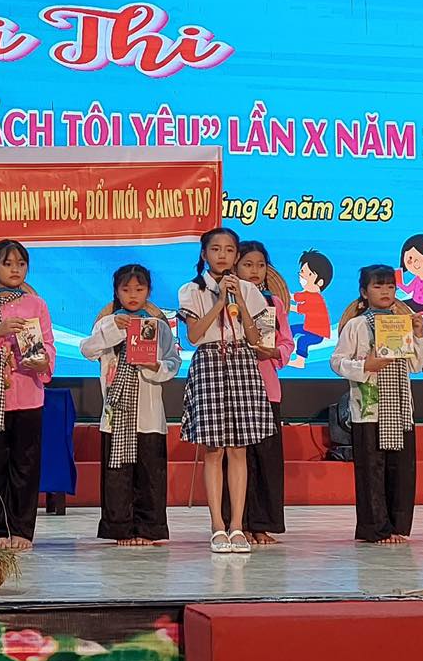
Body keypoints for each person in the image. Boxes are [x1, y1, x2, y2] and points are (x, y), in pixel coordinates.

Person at [178, 227, 275, 554]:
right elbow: (194, 335)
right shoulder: (191, 290)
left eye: (229, 250)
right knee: (214, 449)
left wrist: (240, 301)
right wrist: (219, 300)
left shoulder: (248, 289)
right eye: (216, 249)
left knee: (239, 449)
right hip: (209, 362)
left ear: (236, 255)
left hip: (242, 362)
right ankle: (217, 525)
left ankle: (237, 526)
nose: (222, 255)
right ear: (204, 254)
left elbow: (256, 338)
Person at [0, 239, 56, 550]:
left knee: (26, 467)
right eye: (7, 263)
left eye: (21, 263)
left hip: (29, 395)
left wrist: (44, 362)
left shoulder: (37, 304)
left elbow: (48, 344)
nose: (15, 269)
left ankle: (22, 530)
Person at [81, 264, 181, 546]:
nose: (133, 295)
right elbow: (87, 350)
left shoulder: (158, 326)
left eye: (139, 289)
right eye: (126, 289)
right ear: (117, 292)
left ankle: (148, 528)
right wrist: (114, 329)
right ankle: (120, 529)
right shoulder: (107, 323)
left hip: (149, 413)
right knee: (117, 475)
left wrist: (155, 365)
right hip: (116, 413)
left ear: (148, 291)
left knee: (150, 474)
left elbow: (173, 362)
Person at [331, 264, 423, 544]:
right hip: (369, 410)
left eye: (390, 286)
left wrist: (418, 334)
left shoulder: (402, 323)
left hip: (399, 409)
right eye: (378, 286)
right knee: (371, 471)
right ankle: (375, 528)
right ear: (364, 292)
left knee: (401, 470)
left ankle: (398, 527)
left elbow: (416, 365)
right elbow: (336, 362)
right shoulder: (356, 325)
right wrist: (365, 366)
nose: (385, 291)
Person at [221, 240, 293, 545]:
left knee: (266, 459)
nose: (255, 270)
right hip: (233, 386)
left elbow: (286, 343)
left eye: (261, 265)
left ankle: (262, 524)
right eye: (248, 264)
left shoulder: (273, 303)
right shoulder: (224, 299)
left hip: (266, 388)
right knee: (236, 458)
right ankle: (236, 524)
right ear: (235, 266)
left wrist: (273, 352)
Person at [288, 249, 334, 367]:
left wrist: (287, 306)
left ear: (320, 282)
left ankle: (300, 362)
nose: (302, 276)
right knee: (291, 329)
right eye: (302, 271)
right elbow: (296, 297)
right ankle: (286, 351)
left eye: (308, 274)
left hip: (317, 333)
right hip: (308, 327)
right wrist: (285, 295)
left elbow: (300, 309)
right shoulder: (307, 293)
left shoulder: (316, 298)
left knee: (302, 341)